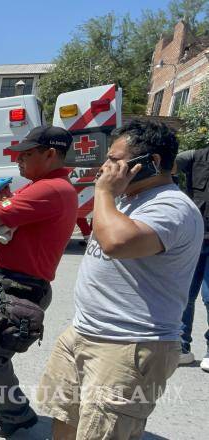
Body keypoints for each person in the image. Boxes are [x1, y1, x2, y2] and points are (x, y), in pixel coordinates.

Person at [37, 121, 203, 439]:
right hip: (85, 332)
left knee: (101, 432)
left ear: (151, 163)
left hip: (128, 346)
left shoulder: (171, 206)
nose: (106, 167)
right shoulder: (129, 196)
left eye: (115, 160)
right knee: (65, 418)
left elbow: (116, 242)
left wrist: (103, 191)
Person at [0, 126, 78, 438]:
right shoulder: (43, 186)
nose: (19, 161)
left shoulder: (50, 189)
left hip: (17, 285)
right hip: (3, 280)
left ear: (51, 154)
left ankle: (15, 412)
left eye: (27, 154)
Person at [174, 148, 209, 371]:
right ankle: (181, 348)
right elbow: (167, 166)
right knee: (184, 295)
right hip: (195, 239)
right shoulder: (195, 157)